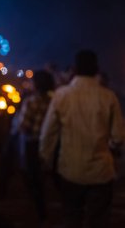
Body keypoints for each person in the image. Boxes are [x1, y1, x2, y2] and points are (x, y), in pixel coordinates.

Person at [40, 50, 125, 228]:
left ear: (75, 69)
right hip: (101, 172)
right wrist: (110, 145)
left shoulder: (62, 95)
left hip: (70, 170)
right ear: (97, 69)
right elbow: (119, 136)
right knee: (98, 221)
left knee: (71, 217)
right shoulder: (108, 97)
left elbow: (48, 134)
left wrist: (46, 160)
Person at [18, 70, 55, 224]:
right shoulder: (54, 100)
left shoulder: (31, 101)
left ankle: (40, 213)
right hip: (50, 142)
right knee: (46, 175)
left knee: (32, 177)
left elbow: (23, 126)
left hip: (32, 143)